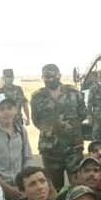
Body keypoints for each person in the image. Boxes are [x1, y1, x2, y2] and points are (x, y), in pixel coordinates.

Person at [30, 63, 87, 192]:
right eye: (46, 77)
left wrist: (69, 128)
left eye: (52, 76)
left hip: (73, 147)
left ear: (59, 76)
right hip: (50, 149)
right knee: (54, 188)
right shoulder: (37, 97)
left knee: (77, 185)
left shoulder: (73, 93)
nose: (50, 79)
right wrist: (51, 130)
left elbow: (83, 114)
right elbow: (36, 121)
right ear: (42, 77)